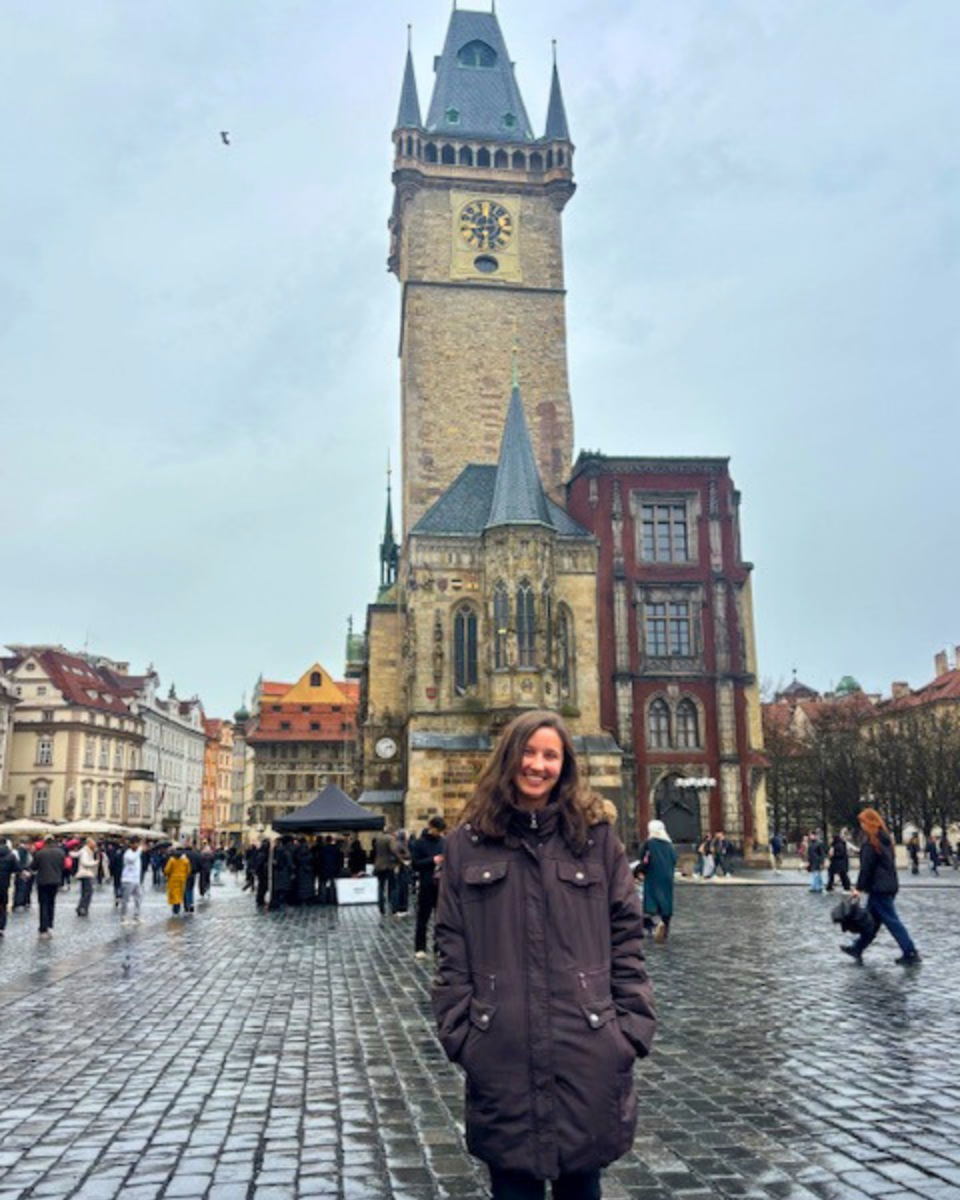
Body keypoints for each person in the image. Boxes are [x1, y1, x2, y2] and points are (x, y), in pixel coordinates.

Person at [433, 710, 656, 1200]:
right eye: (527, 753)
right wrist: (463, 1035)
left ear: (565, 765)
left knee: (582, 1184)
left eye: (549, 755)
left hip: (588, 1052)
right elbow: (451, 947)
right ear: (507, 759)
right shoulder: (466, 846)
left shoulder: (597, 841)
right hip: (501, 1053)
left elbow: (627, 937)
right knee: (512, 1188)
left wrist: (630, 1030)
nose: (537, 765)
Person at [841, 808, 920, 965]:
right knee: (871, 923)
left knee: (892, 921)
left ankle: (910, 952)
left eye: (863, 822)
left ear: (869, 823)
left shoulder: (871, 843)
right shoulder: (885, 840)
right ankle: (858, 948)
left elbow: (867, 869)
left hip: (879, 889)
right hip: (887, 886)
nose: (861, 826)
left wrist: (858, 888)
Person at [636, 819, 677, 943]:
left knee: (651, 902)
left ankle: (657, 923)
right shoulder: (670, 845)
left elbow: (643, 860)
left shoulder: (649, 843)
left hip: (653, 876)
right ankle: (665, 928)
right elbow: (674, 860)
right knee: (666, 902)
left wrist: (637, 872)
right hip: (668, 878)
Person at [412, 815, 446, 959]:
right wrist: (432, 860)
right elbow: (415, 864)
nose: (439, 833)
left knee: (441, 919)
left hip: (442, 885)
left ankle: (439, 946)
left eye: (441, 831)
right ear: (430, 827)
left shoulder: (444, 842)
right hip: (426, 884)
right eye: (437, 830)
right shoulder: (419, 843)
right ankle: (420, 947)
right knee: (423, 918)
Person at [33, 836, 66, 939]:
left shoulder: (40, 853)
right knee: (51, 903)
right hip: (55, 881)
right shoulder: (60, 853)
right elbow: (63, 866)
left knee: (43, 904)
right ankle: (50, 925)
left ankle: (43, 928)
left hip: (43, 881)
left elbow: (34, 866)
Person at [371, 827, 400, 915]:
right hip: (388, 865)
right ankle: (393, 908)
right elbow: (394, 850)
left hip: (379, 865)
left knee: (380, 886)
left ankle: (381, 908)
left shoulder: (378, 838)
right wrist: (400, 859)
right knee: (393, 887)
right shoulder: (390, 838)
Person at [120, 838, 144, 926]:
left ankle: (136, 916)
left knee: (139, 898)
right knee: (125, 900)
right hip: (128, 879)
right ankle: (124, 917)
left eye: (138, 844)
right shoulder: (128, 854)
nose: (137, 846)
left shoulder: (137, 854)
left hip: (136, 880)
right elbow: (132, 859)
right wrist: (140, 850)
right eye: (135, 844)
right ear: (131, 845)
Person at [75, 838, 101, 918]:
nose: (95, 845)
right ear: (89, 843)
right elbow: (85, 862)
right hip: (85, 874)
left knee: (85, 892)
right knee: (88, 892)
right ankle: (82, 908)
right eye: (93, 844)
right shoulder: (85, 851)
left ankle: (81, 907)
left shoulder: (88, 851)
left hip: (87, 873)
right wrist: (95, 862)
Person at [0, 837, 19, 937]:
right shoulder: (11, 855)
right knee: (3, 906)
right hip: (4, 884)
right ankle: (1, 927)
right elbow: (16, 869)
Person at [164, 846, 191, 916]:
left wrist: (167, 874)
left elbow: (167, 870)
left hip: (173, 879)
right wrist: (185, 875)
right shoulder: (186, 860)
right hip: (182, 879)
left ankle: (176, 910)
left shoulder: (172, 860)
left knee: (175, 894)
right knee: (180, 893)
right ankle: (179, 908)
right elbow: (188, 870)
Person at [392, 829, 412, 916]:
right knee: (401, 888)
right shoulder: (399, 844)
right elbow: (396, 855)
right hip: (401, 869)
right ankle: (400, 908)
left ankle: (402, 908)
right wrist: (404, 860)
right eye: (406, 835)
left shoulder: (402, 844)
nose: (408, 836)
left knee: (403, 888)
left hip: (403, 868)